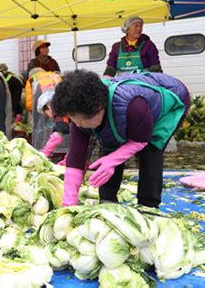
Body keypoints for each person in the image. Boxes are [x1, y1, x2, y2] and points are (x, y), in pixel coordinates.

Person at [52, 69, 190, 208]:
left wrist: (113, 160)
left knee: (150, 151)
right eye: (73, 118)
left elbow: (141, 139)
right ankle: (107, 201)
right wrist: (69, 204)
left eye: (81, 119)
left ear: (99, 108)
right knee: (109, 144)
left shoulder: (134, 106)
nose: (77, 123)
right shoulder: (79, 115)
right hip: (128, 108)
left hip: (170, 100)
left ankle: (148, 205)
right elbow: (76, 158)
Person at [26, 68, 63, 150]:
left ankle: (41, 148)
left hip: (43, 104)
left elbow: (29, 103)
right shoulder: (53, 75)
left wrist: (33, 112)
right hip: (59, 104)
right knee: (59, 126)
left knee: (40, 127)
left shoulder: (32, 80)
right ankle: (60, 148)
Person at [37, 90, 70, 162]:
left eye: (46, 113)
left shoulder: (59, 113)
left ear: (49, 105)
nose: (48, 117)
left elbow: (58, 135)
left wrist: (45, 153)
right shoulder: (64, 110)